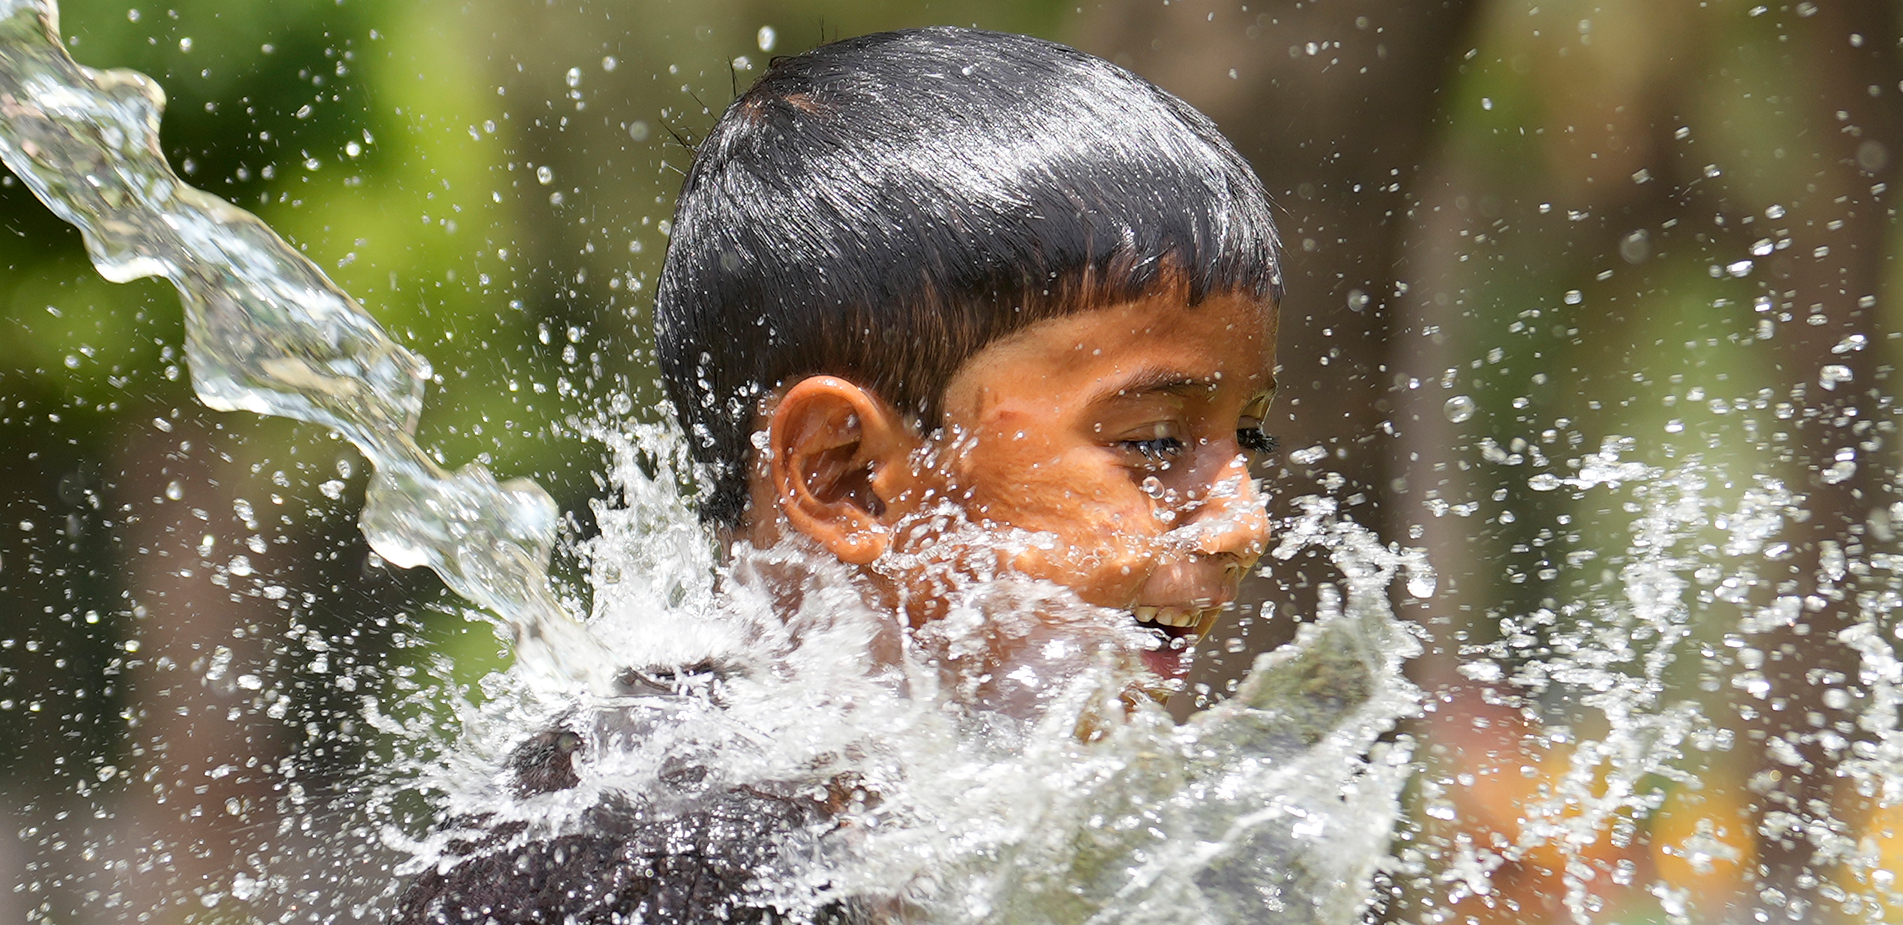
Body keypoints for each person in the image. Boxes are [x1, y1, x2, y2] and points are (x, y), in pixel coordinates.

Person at [395, 25, 1283, 924]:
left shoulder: (986, 831)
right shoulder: (649, 848)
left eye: (1249, 436)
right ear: (843, 475)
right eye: (1157, 441)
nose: (1245, 523)